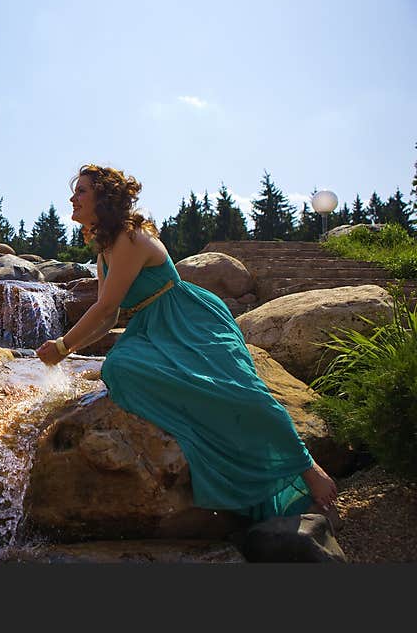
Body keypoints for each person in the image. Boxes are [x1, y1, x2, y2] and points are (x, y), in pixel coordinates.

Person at [36, 164, 337, 521]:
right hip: (151, 328)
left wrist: (62, 346)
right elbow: (111, 319)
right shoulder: (104, 253)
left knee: (236, 390)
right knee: (118, 369)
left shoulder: (129, 238)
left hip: (188, 319)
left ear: (104, 199)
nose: (73, 197)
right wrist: (68, 348)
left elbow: (105, 306)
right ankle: (203, 440)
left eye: (82, 190)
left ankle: (307, 467)